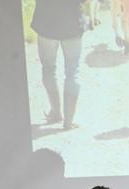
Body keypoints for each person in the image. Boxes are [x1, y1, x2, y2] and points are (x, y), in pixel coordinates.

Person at [31, 0, 87, 130]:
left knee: (48, 69)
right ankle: (68, 121)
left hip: (45, 24)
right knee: (72, 73)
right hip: (72, 24)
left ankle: (56, 112)